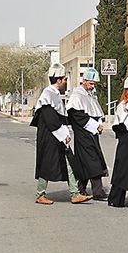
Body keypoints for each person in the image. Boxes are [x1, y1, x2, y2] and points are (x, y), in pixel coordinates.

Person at [32, 64, 87, 205]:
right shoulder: (48, 95)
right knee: (47, 163)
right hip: (49, 136)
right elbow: (51, 119)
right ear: (58, 80)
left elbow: (60, 117)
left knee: (69, 162)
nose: (65, 81)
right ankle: (40, 194)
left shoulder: (55, 94)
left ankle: (75, 193)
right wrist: (64, 135)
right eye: (64, 79)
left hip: (56, 135)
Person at [66, 67, 109, 201]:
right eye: (91, 83)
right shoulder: (77, 96)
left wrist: (99, 123)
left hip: (92, 133)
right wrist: (96, 125)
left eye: (94, 84)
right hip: (83, 134)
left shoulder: (90, 95)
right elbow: (78, 116)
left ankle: (81, 189)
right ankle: (97, 191)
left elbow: (96, 112)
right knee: (92, 161)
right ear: (84, 81)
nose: (92, 86)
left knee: (84, 162)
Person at [106, 76, 128, 207]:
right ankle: (115, 198)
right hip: (126, 140)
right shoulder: (123, 106)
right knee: (122, 169)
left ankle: (120, 198)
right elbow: (123, 124)